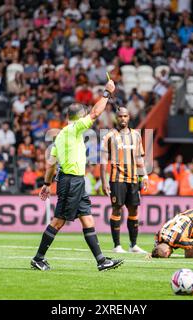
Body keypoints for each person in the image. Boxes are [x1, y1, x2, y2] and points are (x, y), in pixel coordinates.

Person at [32, 79, 123, 272]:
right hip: (71, 181)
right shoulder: (73, 130)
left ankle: (101, 261)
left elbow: (50, 163)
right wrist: (107, 93)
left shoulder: (61, 136)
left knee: (87, 219)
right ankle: (38, 258)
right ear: (78, 118)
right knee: (59, 221)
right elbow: (95, 113)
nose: (87, 120)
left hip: (75, 181)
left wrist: (47, 184)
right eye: (84, 117)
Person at [100, 107, 149, 254]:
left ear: (129, 117)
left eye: (125, 116)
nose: (123, 119)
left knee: (134, 209)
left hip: (133, 178)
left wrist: (144, 175)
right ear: (117, 118)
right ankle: (117, 245)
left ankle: (133, 245)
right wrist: (103, 181)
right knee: (117, 208)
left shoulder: (136, 135)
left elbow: (139, 158)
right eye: (120, 116)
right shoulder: (109, 136)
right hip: (117, 179)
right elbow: (103, 161)